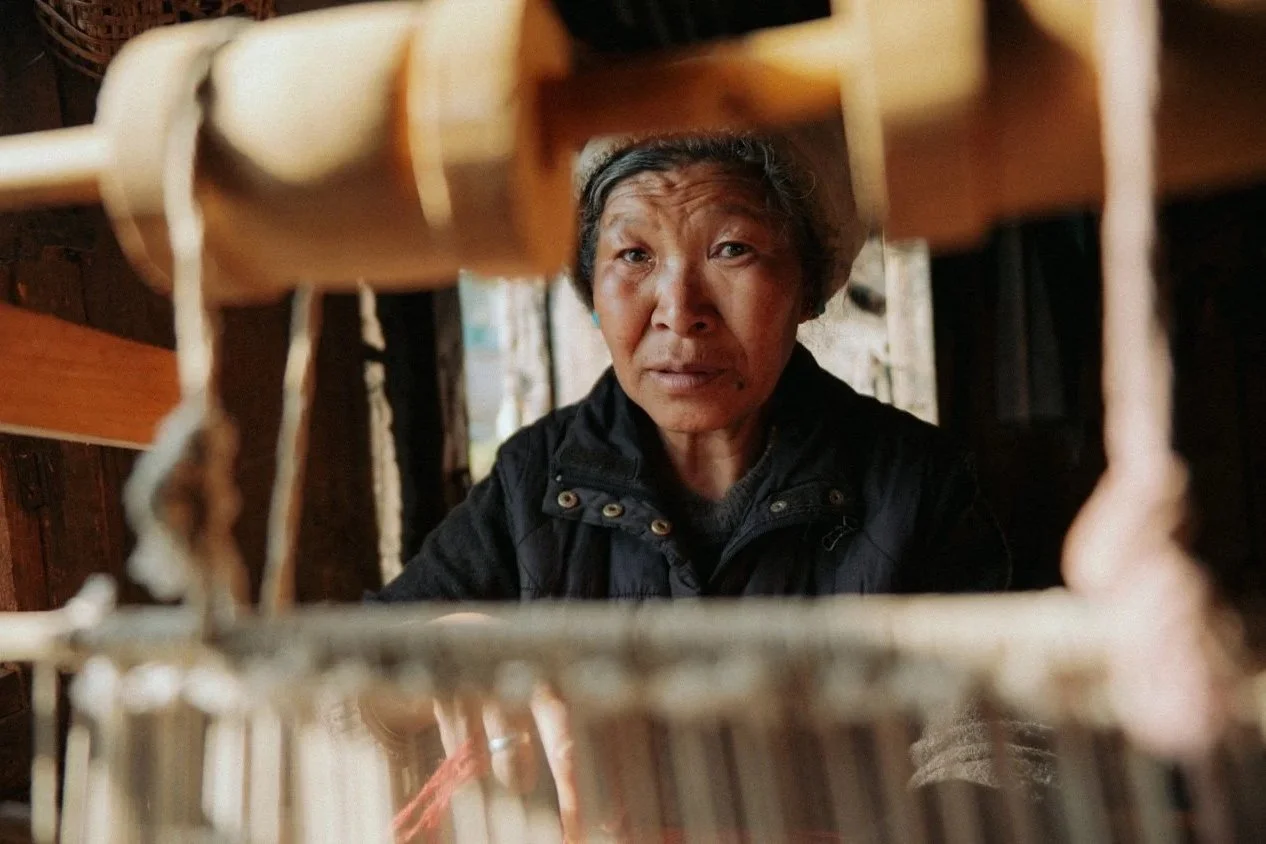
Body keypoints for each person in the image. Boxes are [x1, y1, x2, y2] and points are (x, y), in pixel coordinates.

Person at [366, 132, 1037, 835]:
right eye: (634, 256)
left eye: (732, 249)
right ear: (592, 288)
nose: (679, 308)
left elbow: (1000, 742)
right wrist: (440, 653)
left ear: (807, 287)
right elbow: (348, 696)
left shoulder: (916, 482)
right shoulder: (533, 480)